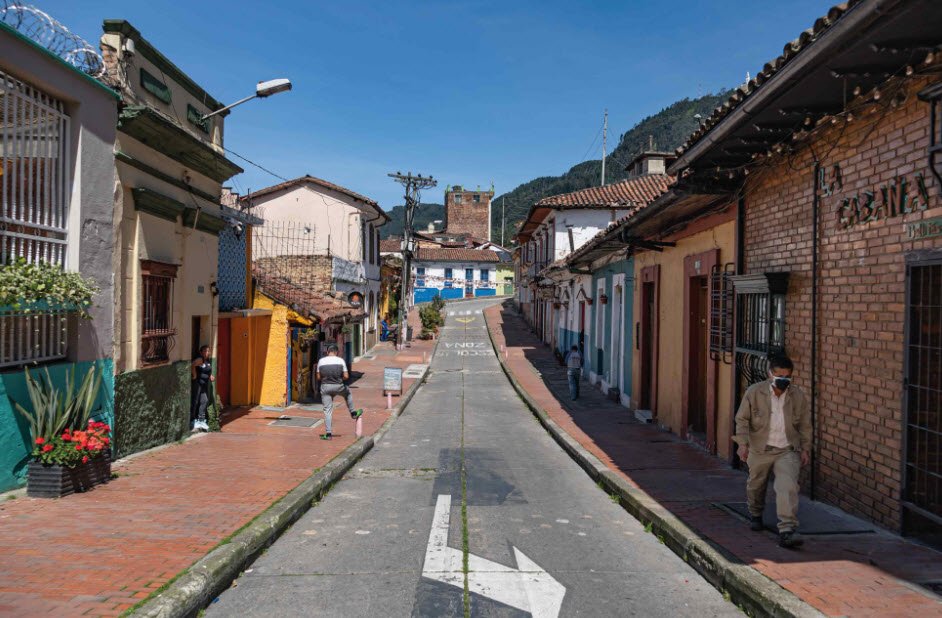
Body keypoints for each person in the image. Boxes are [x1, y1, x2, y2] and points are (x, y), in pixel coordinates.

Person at [733, 354, 812, 549]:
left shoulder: (797, 396)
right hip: (760, 448)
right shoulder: (754, 392)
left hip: (787, 449)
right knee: (756, 485)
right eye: (778, 375)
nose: (782, 380)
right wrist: (742, 444)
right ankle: (756, 513)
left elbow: (805, 425)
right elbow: (742, 420)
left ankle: (787, 530)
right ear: (770, 374)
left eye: (786, 376)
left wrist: (805, 448)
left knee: (787, 486)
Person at [315, 343, 363, 440]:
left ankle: (328, 434)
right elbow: (346, 376)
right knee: (348, 393)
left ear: (327, 352)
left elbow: (318, 377)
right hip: (338, 386)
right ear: (337, 352)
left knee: (327, 410)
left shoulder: (321, 361)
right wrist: (338, 378)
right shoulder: (340, 360)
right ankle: (353, 413)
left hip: (325, 387)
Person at [190, 345, 214, 432]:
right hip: (198, 384)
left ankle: (201, 421)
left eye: (208, 351)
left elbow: (207, 369)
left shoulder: (207, 360)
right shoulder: (200, 359)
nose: (208, 353)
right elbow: (192, 364)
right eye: (206, 351)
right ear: (201, 352)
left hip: (203, 385)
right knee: (195, 401)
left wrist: (210, 375)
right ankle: (192, 421)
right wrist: (195, 375)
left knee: (204, 400)